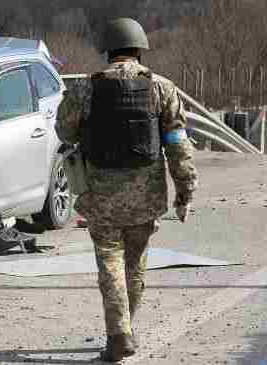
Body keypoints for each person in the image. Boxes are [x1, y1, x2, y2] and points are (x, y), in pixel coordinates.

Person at [56, 18, 198, 362]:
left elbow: (64, 132)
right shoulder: (162, 88)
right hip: (145, 197)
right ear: (140, 49)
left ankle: (119, 334)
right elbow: (178, 144)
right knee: (135, 264)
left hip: (101, 195)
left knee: (110, 263)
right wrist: (185, 191)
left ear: (108, 51)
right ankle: (126, 329)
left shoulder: (86, 89)